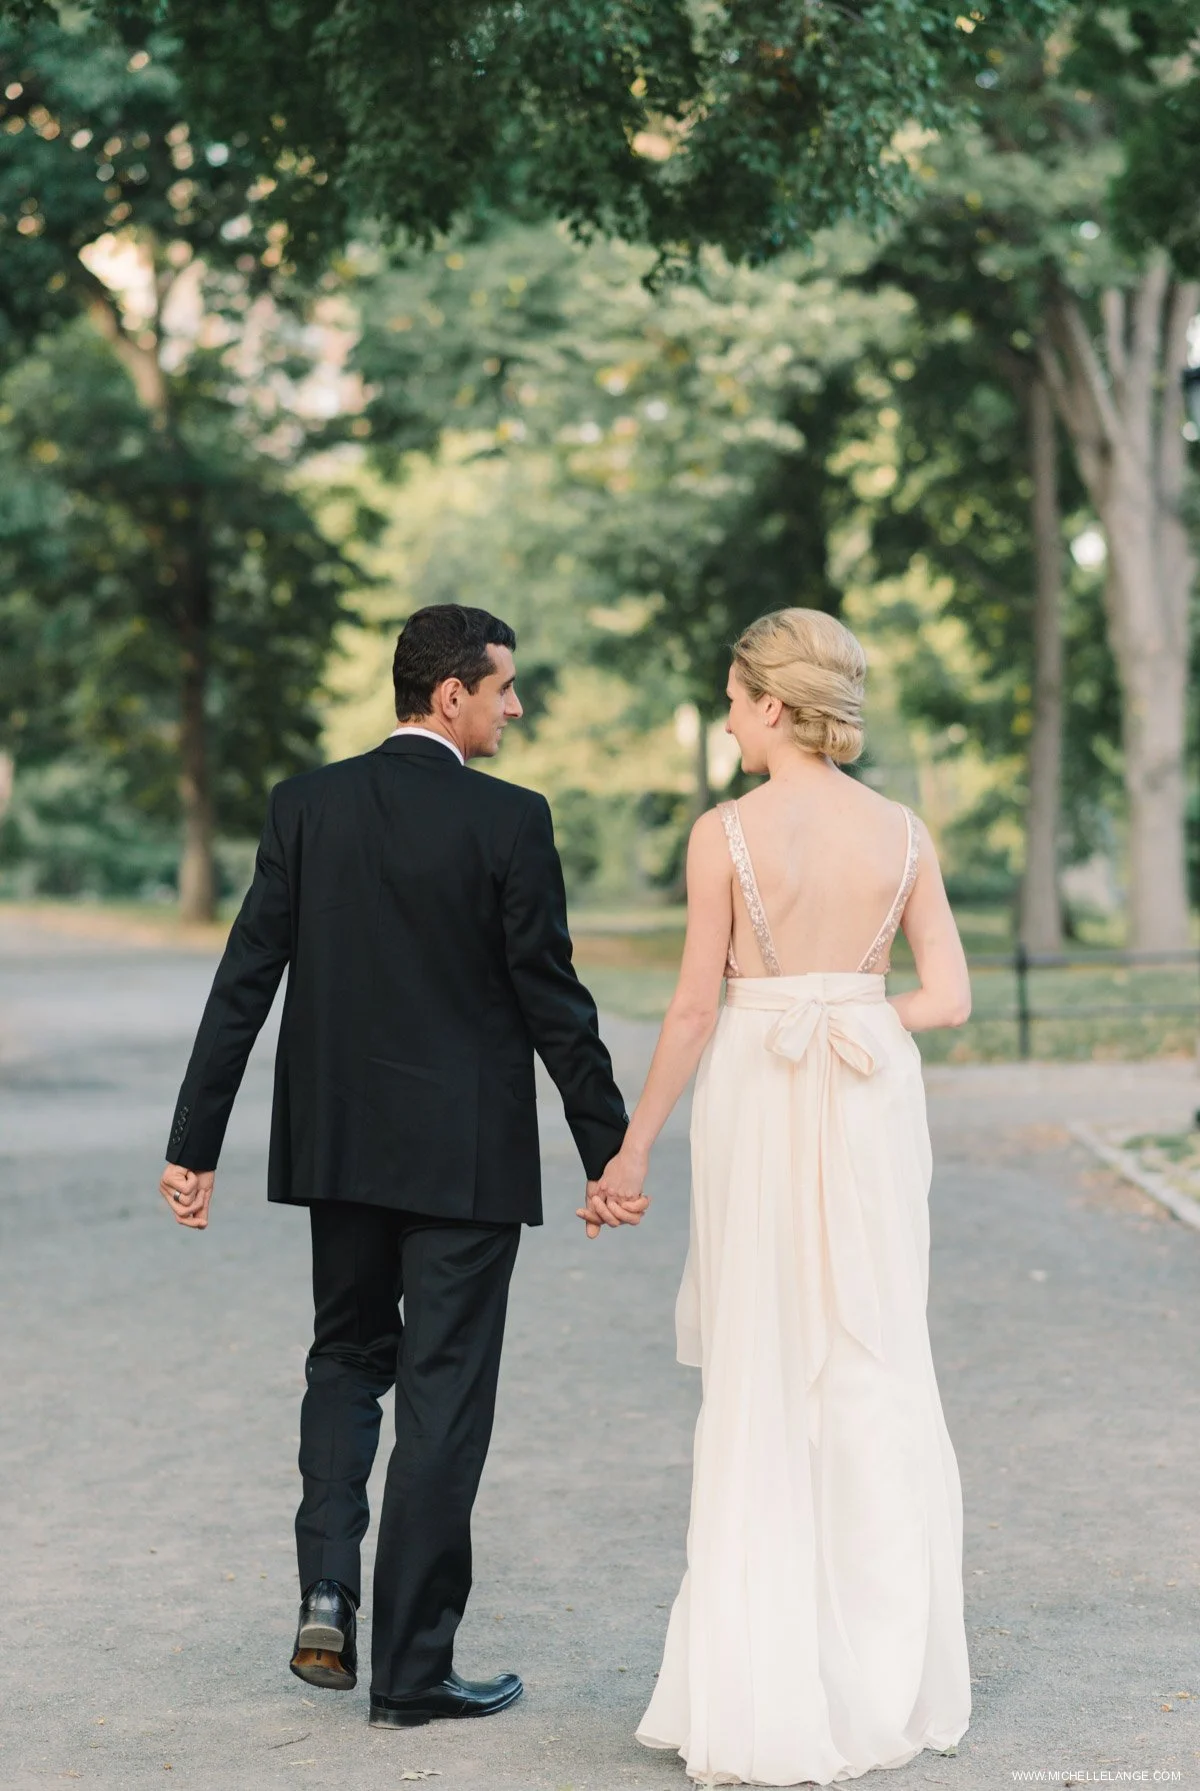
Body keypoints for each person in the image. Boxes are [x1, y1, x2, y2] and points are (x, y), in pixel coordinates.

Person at [158, 603, 642, 1730]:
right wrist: (607, 1149)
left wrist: (195, 1146)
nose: (516, 707)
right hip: (465, 1162)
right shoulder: (511, 822)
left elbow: (244, 982)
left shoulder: (306, 806)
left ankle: (328, 1585)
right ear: (450, 695)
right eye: (505, 688)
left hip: (339, 1148)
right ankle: (414, 1672)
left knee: (345, 1357)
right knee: (443, 1399)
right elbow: (552, 1001)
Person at [581, 607, 973, 1786]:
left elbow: (697, 1010)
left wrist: (632, 1149)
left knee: (765, 1359)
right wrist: (853, 1016)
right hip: (864, 1100)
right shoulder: (903, 832)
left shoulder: (726, 834)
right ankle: (883, 1676)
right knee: (870, 1349)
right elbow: (946, 997)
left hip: (761, 1092)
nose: (730, 718)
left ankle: (762, 1683)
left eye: (736, 699)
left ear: (773, 705)